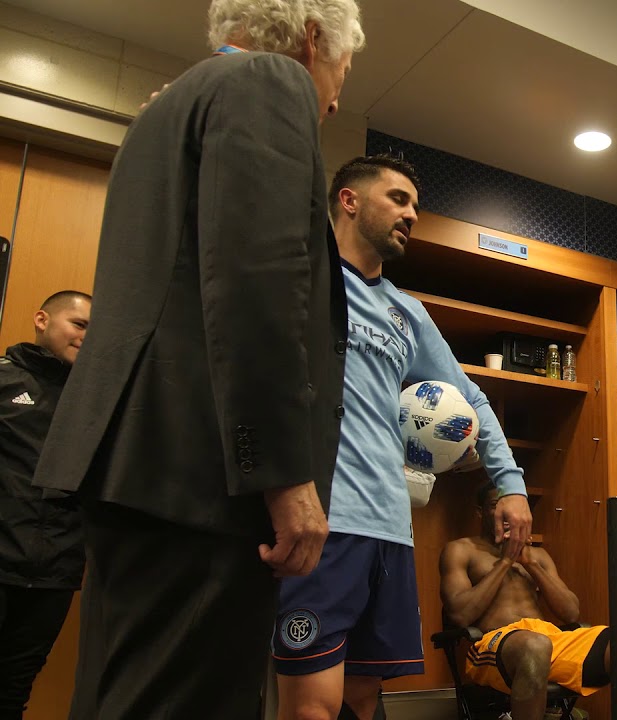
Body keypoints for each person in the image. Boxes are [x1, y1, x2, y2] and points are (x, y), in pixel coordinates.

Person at [30, 1, 366, 716]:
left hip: (139, 469)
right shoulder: (272, 83)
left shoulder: (164, 110)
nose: (337, 95)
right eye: (343, 67)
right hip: (203, 477)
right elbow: (257, 280)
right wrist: (281, 472)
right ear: (311, 39)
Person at [274, 156, 533, 720]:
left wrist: (510, 483)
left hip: (391, 529)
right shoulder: (303, 277)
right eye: (398, 198)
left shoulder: (405, 313)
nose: (412, 214)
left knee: (363, 697)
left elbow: (474, 399)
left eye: (415, 204)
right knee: (311, 704)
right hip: (325, 522)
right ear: (348, 200)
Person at [439, 482, 617, 720]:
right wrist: (506, 562)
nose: (508, 515)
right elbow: (460, 615)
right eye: (497, 506)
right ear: (480, 511)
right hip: (495, 644)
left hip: (549, 639)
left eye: (514, 508)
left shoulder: (538, 555)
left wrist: (529, 564)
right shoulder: (462, 550)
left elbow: (570, 613)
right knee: (535, 646)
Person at [0, 291, 91, 718]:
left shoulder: (93, 404)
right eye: (79, 324)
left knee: (13, 691)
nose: (86, 337)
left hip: (53, 577)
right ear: (42, 319)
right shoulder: (3, 380)